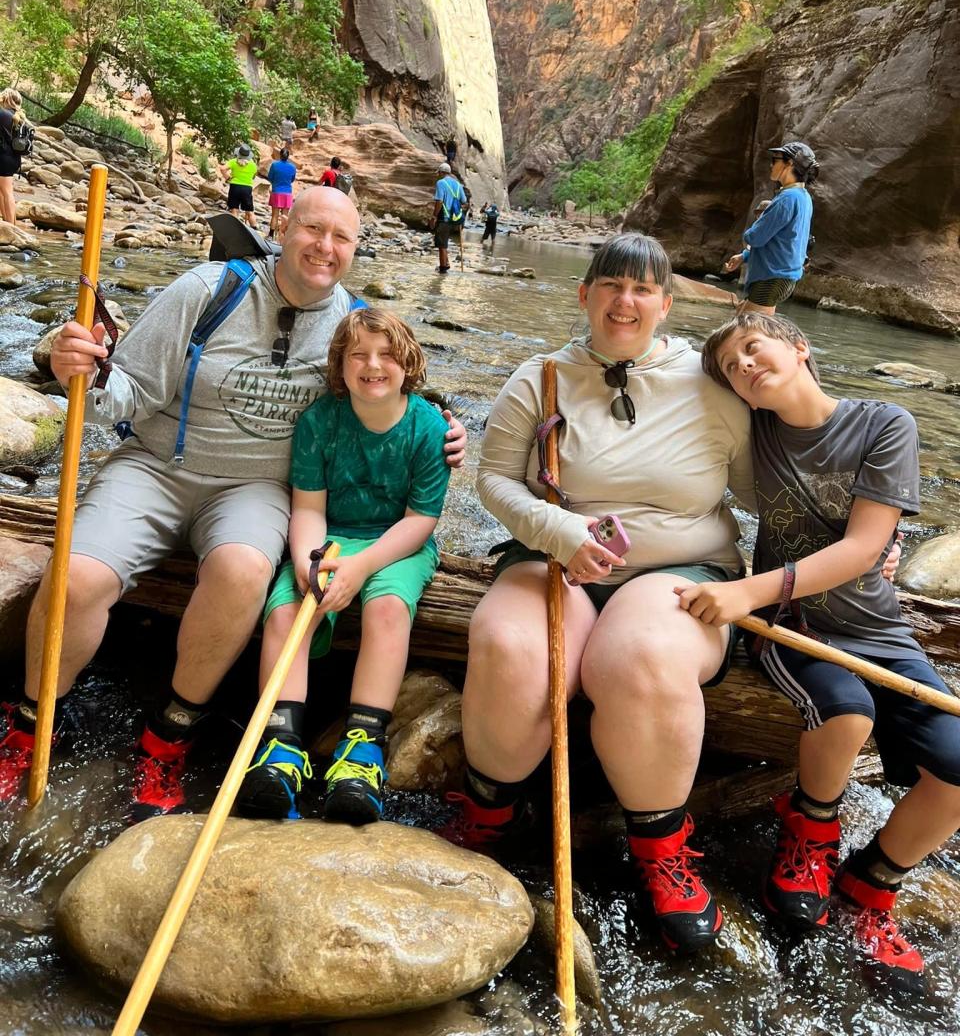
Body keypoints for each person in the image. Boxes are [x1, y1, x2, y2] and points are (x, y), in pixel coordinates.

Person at [0, 188, 467, 817]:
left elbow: (388, 399)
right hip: (156, 466)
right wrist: (81, 370)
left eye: (342, 238)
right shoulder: (209, 289)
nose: (325, 247)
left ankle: (169, 735)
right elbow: (128, 388)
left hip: (256, 490)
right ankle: (32, 722)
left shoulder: (352, 325)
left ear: (356, 249)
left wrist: (444, 428)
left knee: (245, 572)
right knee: (77, 577)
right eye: (312, 229)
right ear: (282, 224)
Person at [447, 232, 757, 953]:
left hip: (682, 569)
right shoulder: (541, 376)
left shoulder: (716, 387)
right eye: (611, 285)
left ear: (665, 304)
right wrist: (558, 530)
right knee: (510, 645)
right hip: (553, 556)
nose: (626, 301)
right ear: (585, 295)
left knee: (638, 655)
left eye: (643, 288)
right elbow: (493, 480)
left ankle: (661, 848)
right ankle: (488, 812)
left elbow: (765, 490)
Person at [689, 313, 960, 988]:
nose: (745, 366)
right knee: (845, 711)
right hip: (795, 628)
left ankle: (872, 886)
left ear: (800, 347)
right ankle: (811, 830)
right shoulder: (752, 428)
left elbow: (866, 547)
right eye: (731, 367)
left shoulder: (884, 423)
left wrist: (746, 590)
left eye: (754, 348)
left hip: (879, 629)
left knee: (957, 766)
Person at [238, 309, 451, 823]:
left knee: (386, 610)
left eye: (386, 355)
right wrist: (313, 565)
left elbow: (420, 520)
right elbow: (308, 508)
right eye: (358, 354)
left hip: (398, 543)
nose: (372, 365)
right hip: (329, 538)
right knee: (288, 612)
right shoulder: (319, 423)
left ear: (408, 363)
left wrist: (362, 569)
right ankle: (280, 745)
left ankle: (362, 748)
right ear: (339, 365)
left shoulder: (428, 429)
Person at [723, 141, 816, 314]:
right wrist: (744, 256)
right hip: (782, 278)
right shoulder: (803, 197)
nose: (771, 164)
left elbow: (755, 237)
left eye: (775, 159)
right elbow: (783, 242)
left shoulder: (787, 198)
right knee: (741, 318)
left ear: (789, 163)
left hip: (772, 278)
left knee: (747, 330)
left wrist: (756, 224)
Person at [431, 166, 467, 274]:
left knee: (442, 244)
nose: (438, 175)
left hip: (444, 218)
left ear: (442, 172)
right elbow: (464, 200)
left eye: (439, 173)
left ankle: (443, 269)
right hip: (456, 219)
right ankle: (446, 263)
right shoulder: (458, 184)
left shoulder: (441, 183)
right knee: (444, 241)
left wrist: (434, 216)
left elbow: (439, 201)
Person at [0, 87, 27, 226]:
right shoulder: (17, 116)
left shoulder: (2, 113)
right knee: (3, 192)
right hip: (14, 158)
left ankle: (12, 228)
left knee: (6, 192)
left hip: (3, 158)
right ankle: (9, 223)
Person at [220, 144, 259, 229]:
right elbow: (253, 176)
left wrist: (228, 178)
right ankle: (255, 229)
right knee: (249, 211)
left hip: (235, 187)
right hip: (247, 188)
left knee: (234, 210)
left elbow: (222, 169)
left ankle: (234, 230)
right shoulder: (253, 165)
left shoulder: (233, 161)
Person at [267, 147, 297, 239]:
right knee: (285, 217)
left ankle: (271, 235)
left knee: (275, 215)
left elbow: (270, 177)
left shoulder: (274, 165)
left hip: (276, 192)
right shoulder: (292, 167)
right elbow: (292, 179)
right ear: (288, 156)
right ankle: (283, 236)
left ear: (280, 155)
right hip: (287, 193)